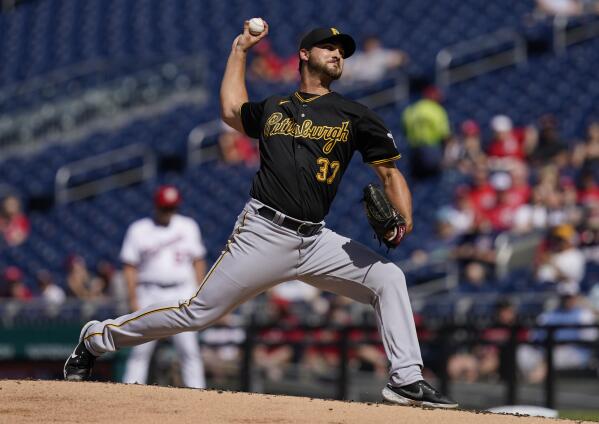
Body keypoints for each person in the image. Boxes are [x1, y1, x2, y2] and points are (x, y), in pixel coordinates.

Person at [64, 22, 457, 408]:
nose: (337, 54)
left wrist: (403, 221)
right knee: (196, 313)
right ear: (304, 54)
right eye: (328, 47)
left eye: (342, 51)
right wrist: (239, 50)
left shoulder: (355, 115)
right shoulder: (274, 107)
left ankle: (406, 380)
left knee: (388, 276)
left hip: (317, 240)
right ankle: (97, 338)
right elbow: (232, 110)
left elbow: (389, 172)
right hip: (263, 233)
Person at [119, 185, 207, 389]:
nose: (169, 212)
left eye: (172, 207)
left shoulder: (188, 226)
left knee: (189, 349)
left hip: (181, 291)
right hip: (149, 291)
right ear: (156, 206)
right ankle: (130, 392)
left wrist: (198, 291)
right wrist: (133, 298)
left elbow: (198, 260)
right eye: (165, 207)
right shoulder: (139, 229)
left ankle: (199, 395)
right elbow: (129, 266)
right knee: (141, 349)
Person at [401, 86, 451, 180]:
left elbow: (405, 132)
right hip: (431, 150)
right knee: (436, 178)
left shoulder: (410, 110)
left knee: (417, 181)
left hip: (414, 152)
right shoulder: (435, 109)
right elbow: (445, 135)